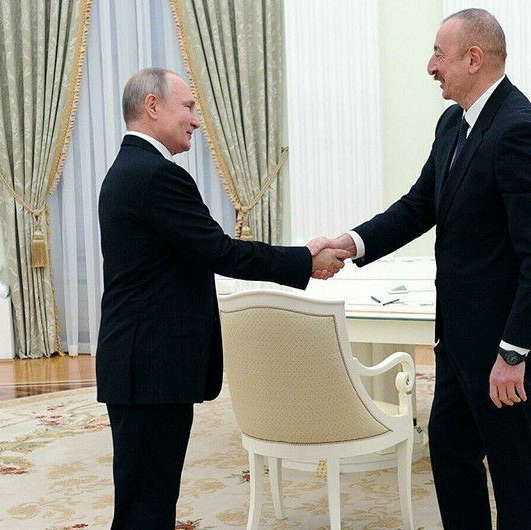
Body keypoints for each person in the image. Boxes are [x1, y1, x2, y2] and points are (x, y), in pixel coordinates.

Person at [326, 9, 531, 529]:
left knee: (510, 463)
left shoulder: (519, 130)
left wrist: (513, 352)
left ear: (473, 59)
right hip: (457, 334)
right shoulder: (453, 123)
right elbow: (420, 206)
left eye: (439, 53)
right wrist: (351, 243)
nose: (430, 65)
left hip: (500, 342)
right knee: (451, 447)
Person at [96, 67, 348, 529]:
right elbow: (221, 252)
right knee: (146, 505)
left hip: (139, 362)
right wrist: (305, 259)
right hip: (150, 365)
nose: (196, 119)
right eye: (188, 107)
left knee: (144, 497)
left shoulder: (129, 169)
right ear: (153, 106)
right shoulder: (155, 175)